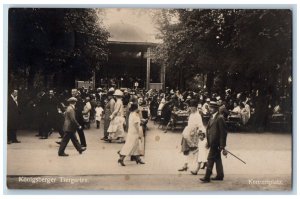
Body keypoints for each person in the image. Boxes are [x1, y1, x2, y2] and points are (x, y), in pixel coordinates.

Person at [200, 101, 228, 183]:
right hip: (212, 142)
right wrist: (208, 142)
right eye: (210, 107)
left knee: (210, 158)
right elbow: (208, 130)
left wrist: (222, 145)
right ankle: (220, 175)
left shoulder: (220, 118)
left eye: (212, 108)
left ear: (216, 109)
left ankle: (207, 177)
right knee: (217, 158)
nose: (210, 109)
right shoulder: (212, 117)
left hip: (216, 143)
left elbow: (223, 133)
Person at [178, 100, 206, 172]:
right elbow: (189, 125)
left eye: (192, 107)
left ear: (195, 107)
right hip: (189, 134)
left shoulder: (198, 115)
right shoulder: (191, 114)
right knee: (188, 150)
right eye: (190, 107)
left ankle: (188, 165)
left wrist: (199, 134)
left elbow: (200, 126)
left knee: (196, 151)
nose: (190, 109)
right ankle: (186, 165)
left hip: (195, 135)